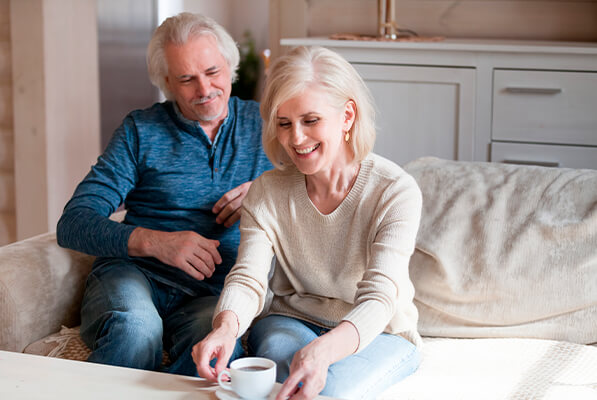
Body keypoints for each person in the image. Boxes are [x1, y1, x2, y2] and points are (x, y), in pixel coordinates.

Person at [192, 45, 423, 399]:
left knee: (327, 391)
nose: (295, 139)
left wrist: (325, 350)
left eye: (310, 120)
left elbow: (379, 299)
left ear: (347, 116)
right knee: (287, 386)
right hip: (290, 320)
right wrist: (226, 328)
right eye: (284, 124)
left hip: (380, 331)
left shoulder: (394, 191)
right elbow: (249, 277)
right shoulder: (267, 191)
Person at [56, 12, 272, 376]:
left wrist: (268, 192)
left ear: (230, 66)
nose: (204, 90)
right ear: (167, 83)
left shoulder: (268, 127)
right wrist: (156, 242)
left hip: (213, 293)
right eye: (187, 79)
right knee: (137, 330)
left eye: (213, 72)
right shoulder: (140, 130)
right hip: (133, 277)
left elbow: (321, 195)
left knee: (218, 346)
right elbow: (74, 223)